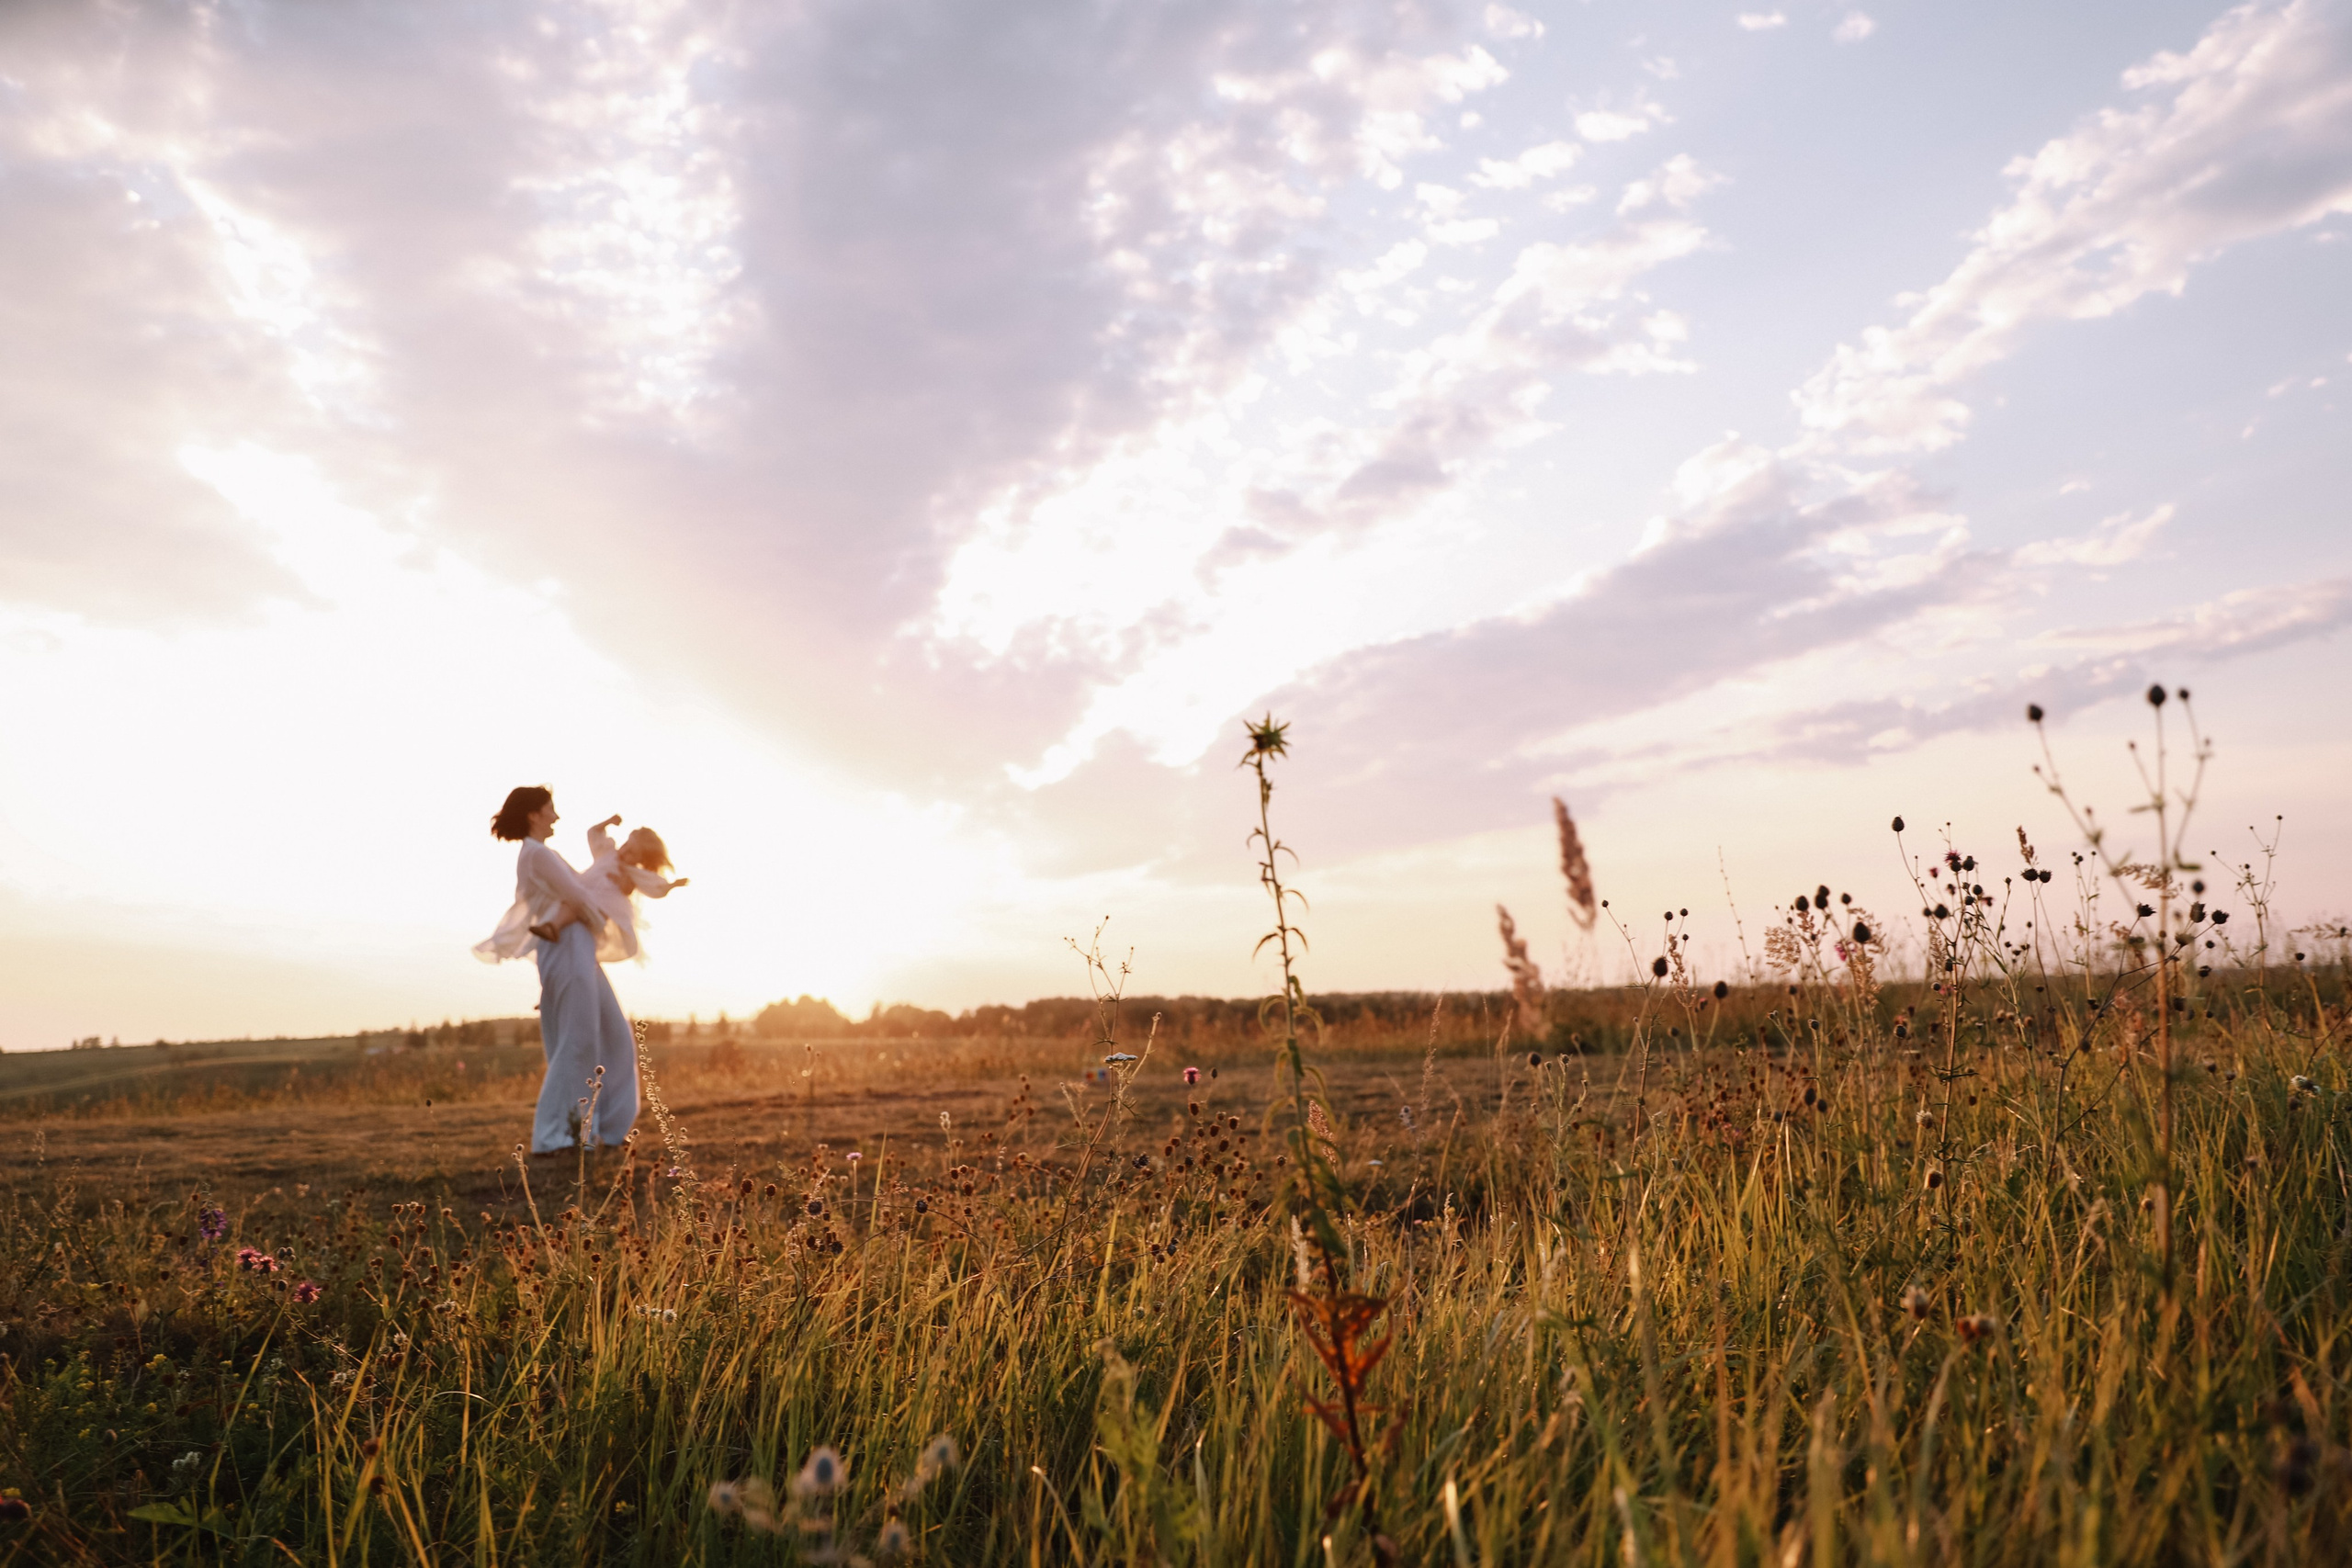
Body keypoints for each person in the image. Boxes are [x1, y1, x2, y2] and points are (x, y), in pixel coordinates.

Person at [475, 786, 639, 1155]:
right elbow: (580, 896)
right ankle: (558, 1136)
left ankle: (609, 1130)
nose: (556, 816)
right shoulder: (536, 855)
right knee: (576, 1041)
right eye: (551, 809)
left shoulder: (542, 853)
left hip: (579, 946)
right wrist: (611, 891)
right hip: (565, 948)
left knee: (614, 1034)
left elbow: (581, 893)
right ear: (535, 814)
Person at [529, 814, 688, 962]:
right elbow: (593, 833)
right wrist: (608, 822)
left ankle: (554, 928)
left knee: (578, 909)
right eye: (626, 844)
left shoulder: (632, 874)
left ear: (641, 859)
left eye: (631, 852)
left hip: (603, 905)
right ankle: (552, 926)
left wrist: (672, 885)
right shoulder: (607, 852)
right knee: (570, 904)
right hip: (584, 892)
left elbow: (654, 887)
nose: (624, 851)